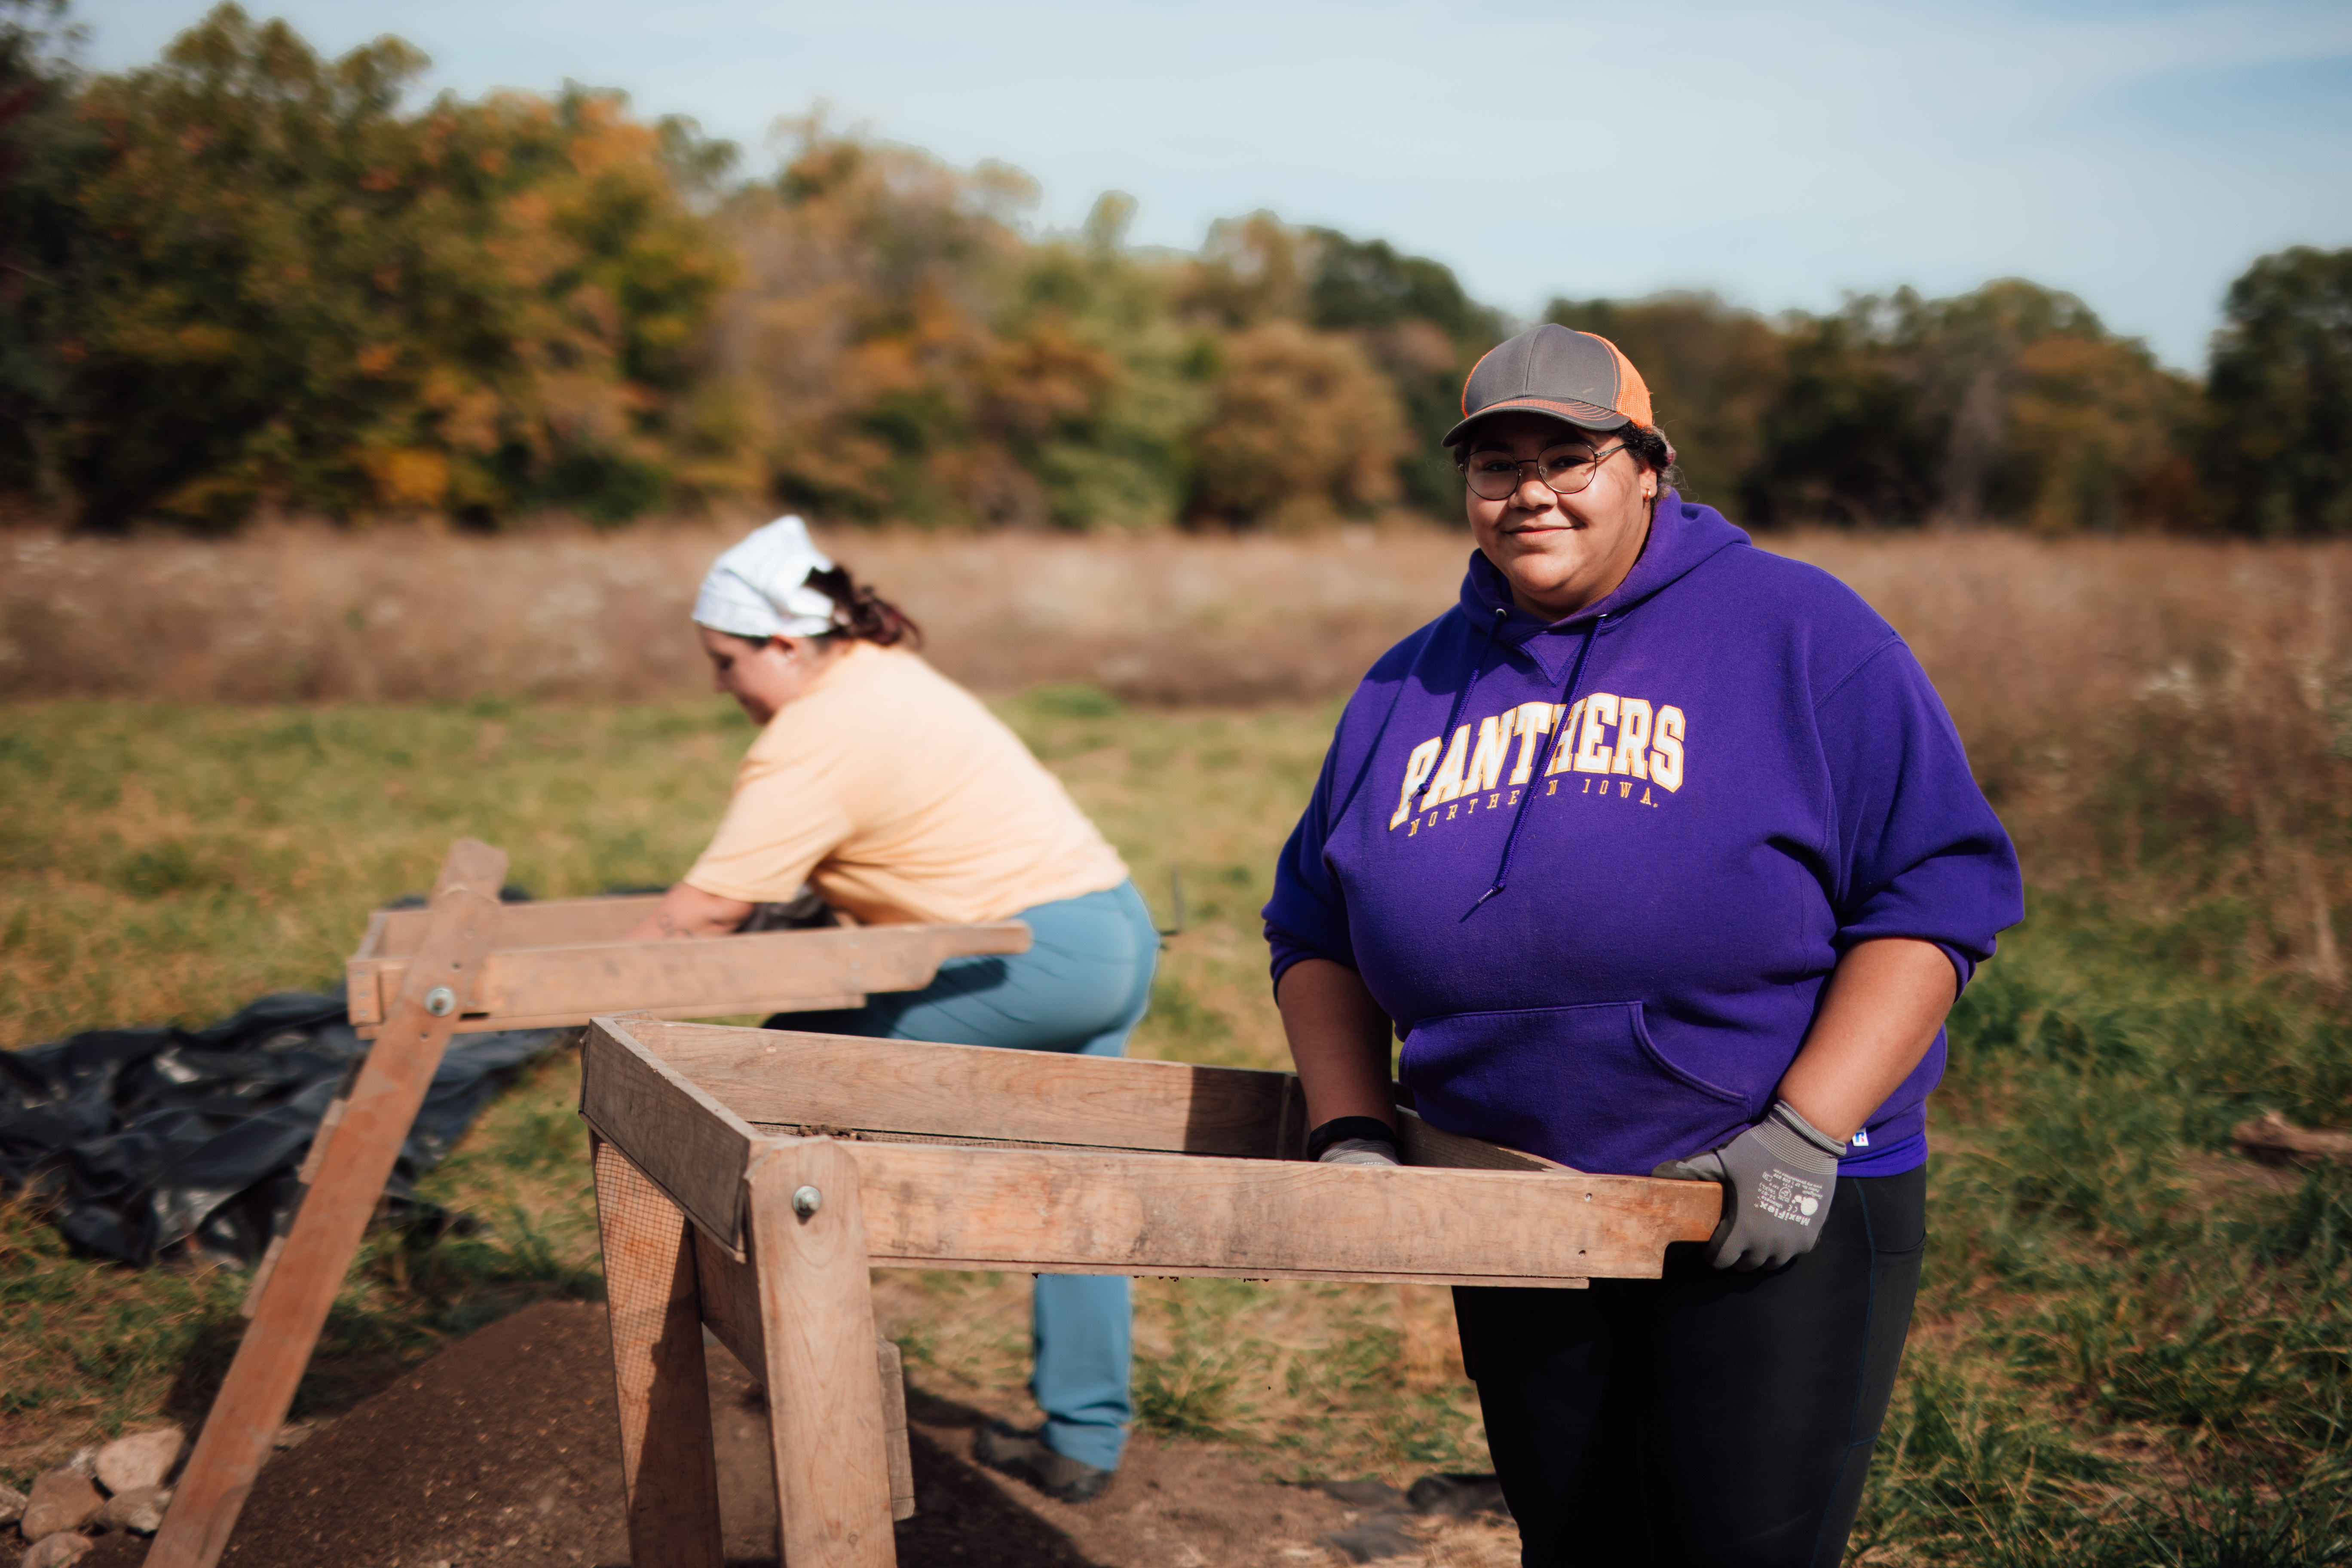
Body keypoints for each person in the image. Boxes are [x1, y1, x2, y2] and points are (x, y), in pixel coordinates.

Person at [1261, 325, 2023, 1566]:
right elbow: (1312, 928)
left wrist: (1809, 1130)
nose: (1533, 492)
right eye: (1497, 463)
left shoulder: (1800, 633)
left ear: (1649, 466)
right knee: (1576, 1541)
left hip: (1762, 1202)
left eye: (1572, 455)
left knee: (1731, 1549)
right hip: (1512, 1199)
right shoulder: (1407, 687)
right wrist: (1351, 1131)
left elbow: (1935, 893)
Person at [626, 515, 1157, 1504]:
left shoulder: (817, 733)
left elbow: (699, 921)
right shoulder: (882, 673)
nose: (719, 685)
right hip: (1109, 930)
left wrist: (567, 1003)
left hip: (1039, 959)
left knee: (772, 1082)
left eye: (727, 661)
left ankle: (803, 1383)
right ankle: (1083, 1439)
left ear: (786, 645)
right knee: (1075, 1177)